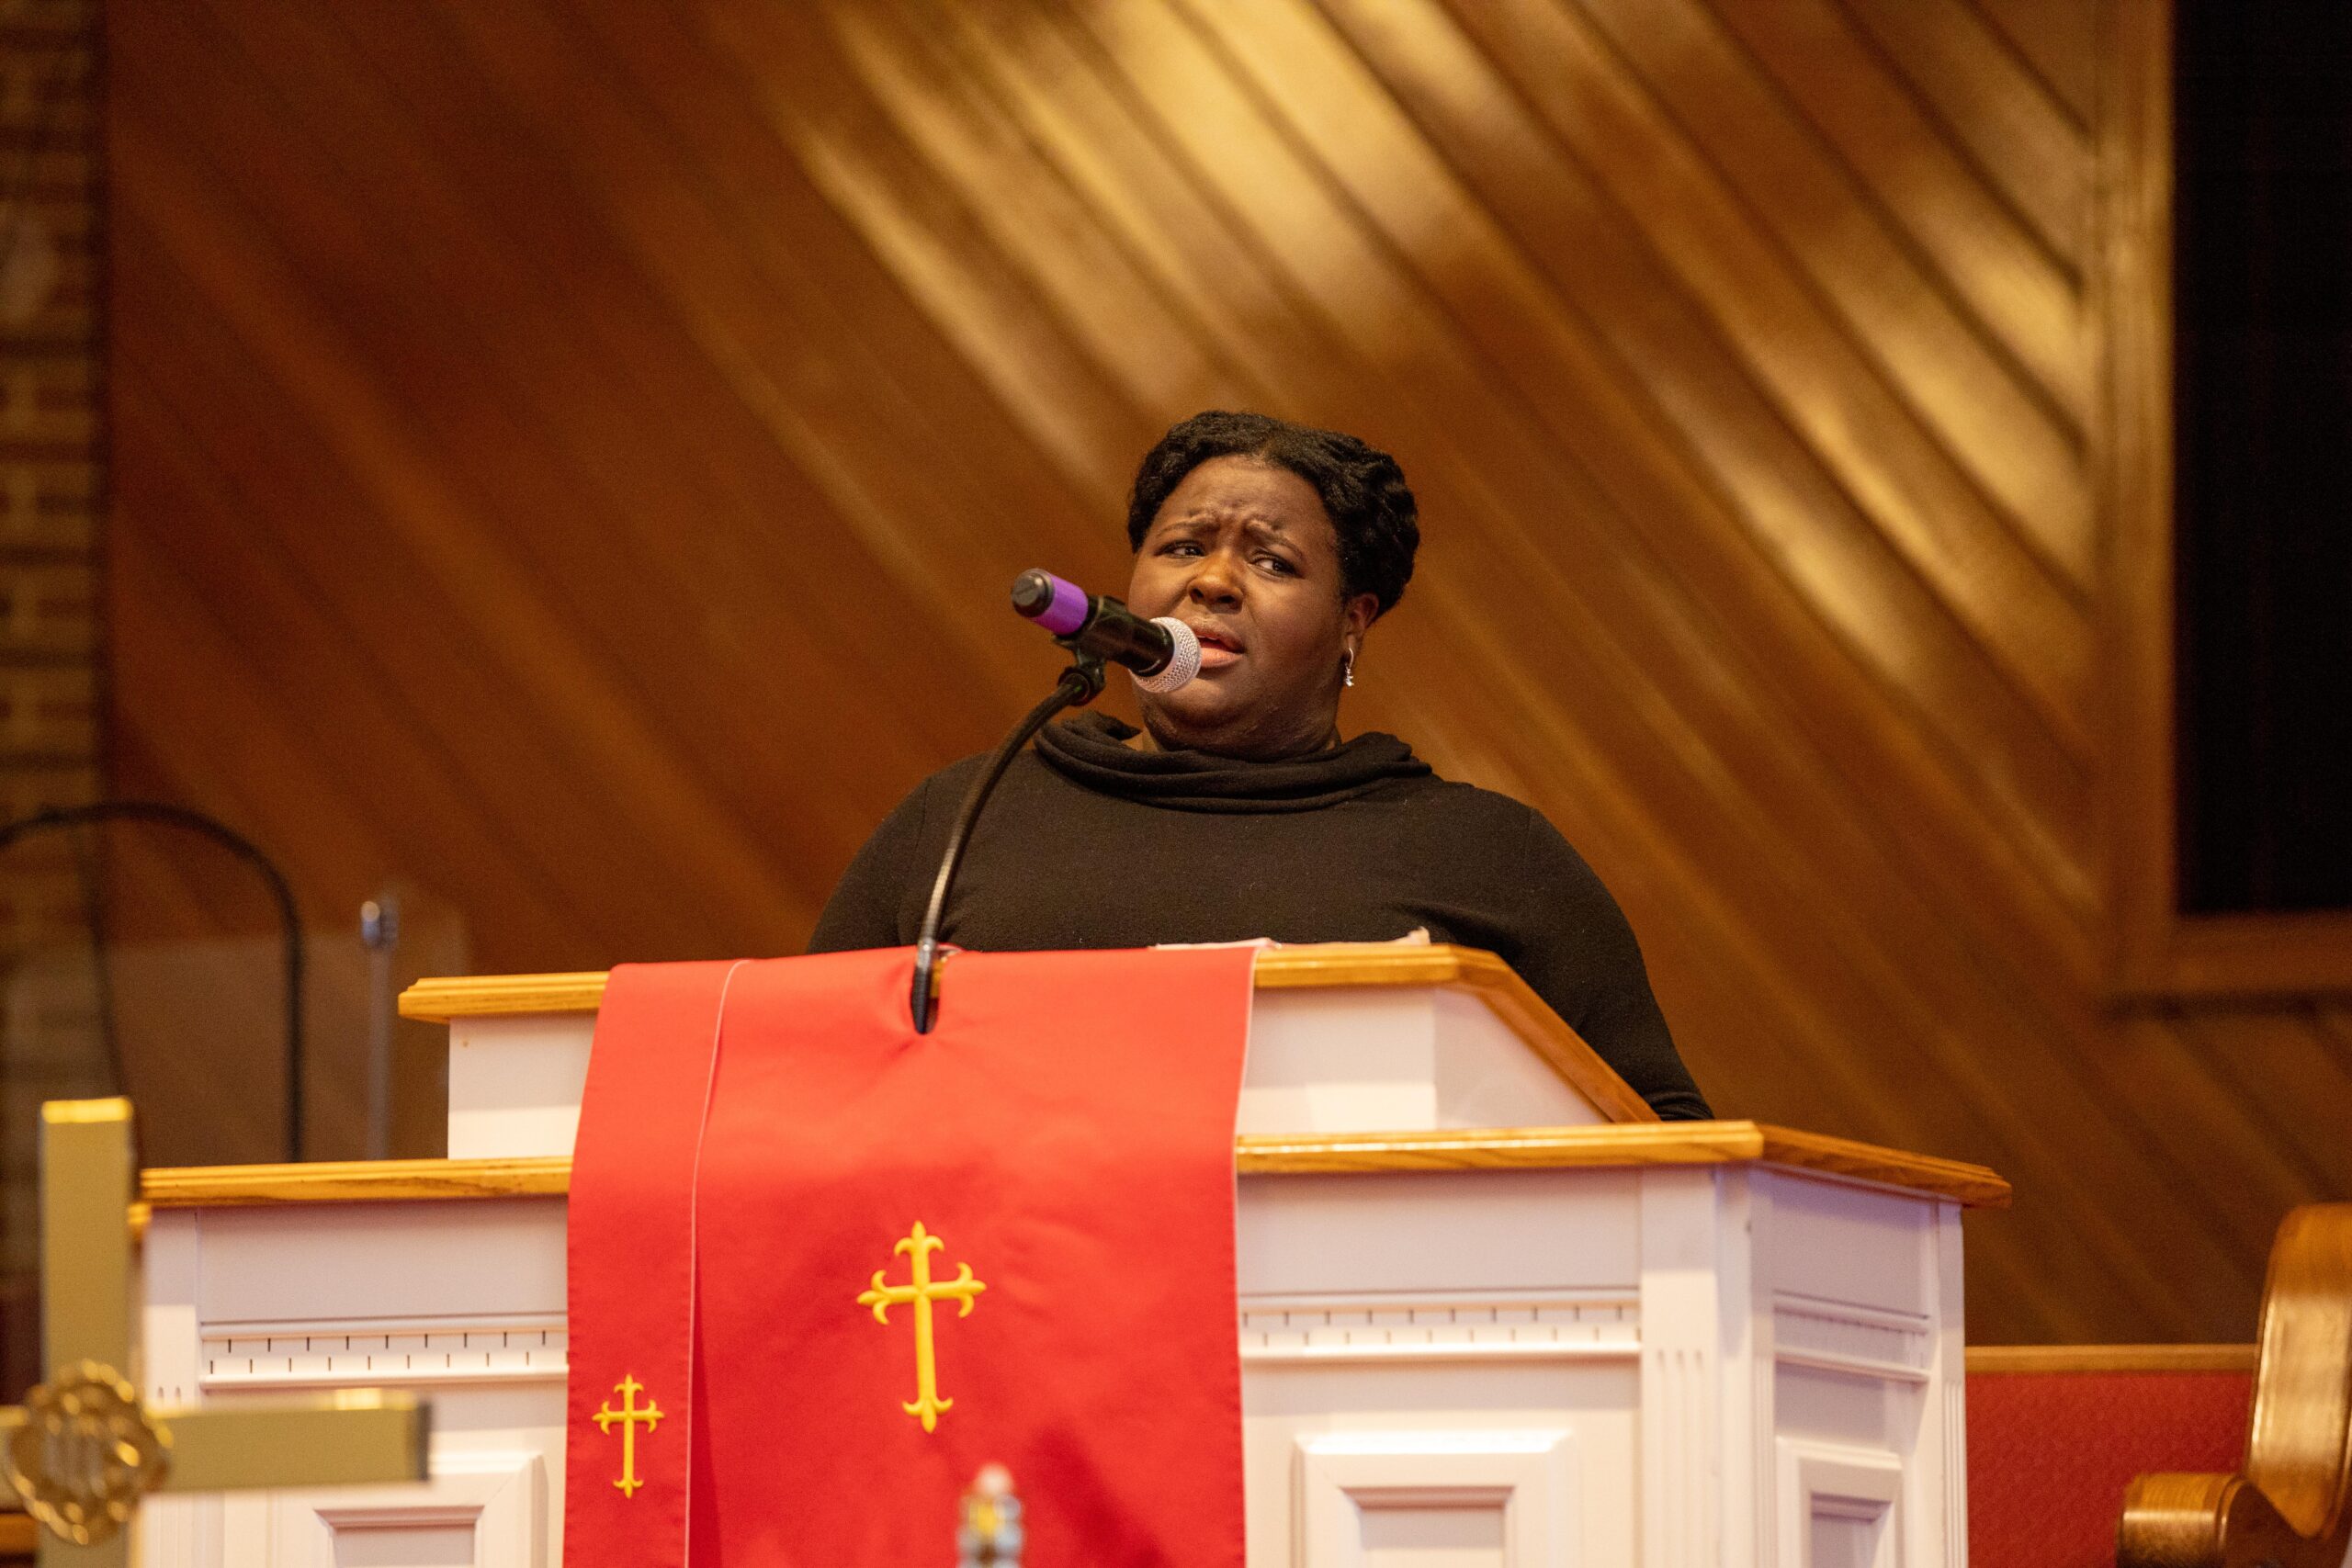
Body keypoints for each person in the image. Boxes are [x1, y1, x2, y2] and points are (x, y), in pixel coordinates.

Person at [808, 411, 1710, 1120]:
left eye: (1273, 561)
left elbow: (1659, 1139)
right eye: (1182, 547)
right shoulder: (967, 815)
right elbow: (801, 1080)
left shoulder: (1484, 856)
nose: (1212, 581)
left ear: (1352, 622)